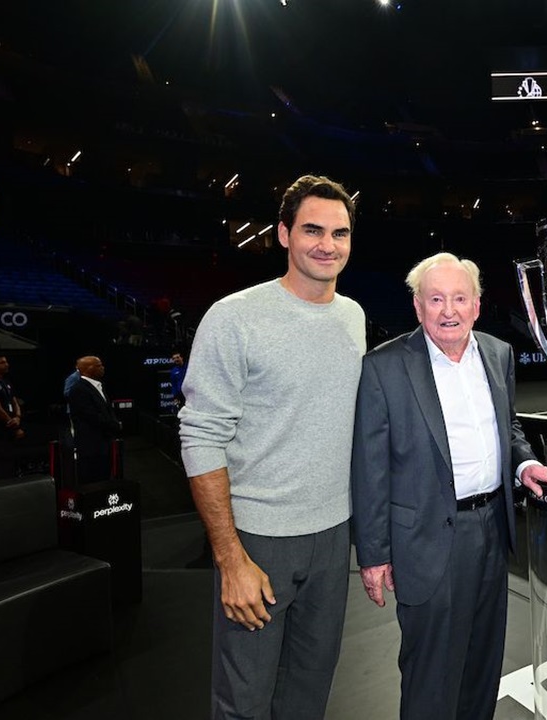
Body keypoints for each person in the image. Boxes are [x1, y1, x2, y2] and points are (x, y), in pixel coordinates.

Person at [350, 252, 547, 720]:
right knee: (430, 677)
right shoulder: (384, 366)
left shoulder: (498, 353)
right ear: (418, 306)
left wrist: (525, 466)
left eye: (459, 298)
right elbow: (368, 467)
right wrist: (372, 554)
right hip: (425, 540)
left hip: (493, 529)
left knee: (482, 667)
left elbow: (507, 428)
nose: (448, 310)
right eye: (436, 299)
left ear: (477, 305)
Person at [179, 174, 365, 720]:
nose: (327, 245)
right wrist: (230, 557)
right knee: (244, 700)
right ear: (283, 234)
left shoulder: (353, 317)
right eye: (312, 229)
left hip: (335, 537)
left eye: (340, 233)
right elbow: (201, 435)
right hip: (260, 541)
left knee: (309, 691)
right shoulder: (233, 317)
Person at [67, 355, 122, 485]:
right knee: (92, 481)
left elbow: (107, 410)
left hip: (104, 442)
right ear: (87, 369)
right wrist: (114, 425)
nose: (102, 368)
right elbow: (92, 416)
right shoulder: (78, 389)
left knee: (104, 478)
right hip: (91, 447)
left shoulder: (98, 386)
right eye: (99, 365)